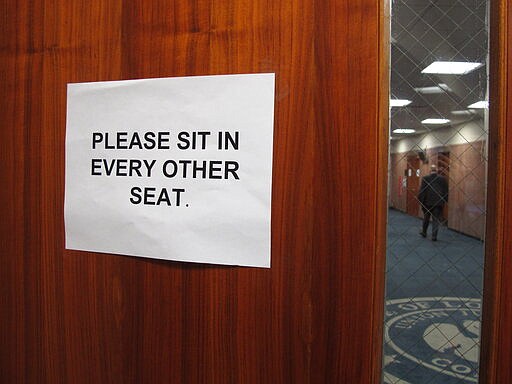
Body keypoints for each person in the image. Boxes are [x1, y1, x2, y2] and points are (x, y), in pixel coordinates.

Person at [418, 164, 449, 241]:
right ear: (436, 170)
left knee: (426, 218)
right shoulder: (442, 179)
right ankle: (434, 236)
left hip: (427, 203)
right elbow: (446, 191)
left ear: (430, 170)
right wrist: (444, 201)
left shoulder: (425, 178)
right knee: (435, 219)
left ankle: (424, 232)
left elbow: (422, 191)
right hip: (438, 203)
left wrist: (421, 202)